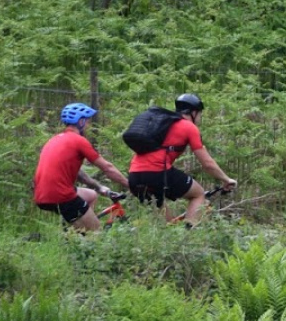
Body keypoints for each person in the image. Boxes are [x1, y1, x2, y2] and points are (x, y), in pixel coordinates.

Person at [126, 93, 237, 225]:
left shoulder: (164, 123)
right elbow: (207, 164)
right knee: (198, 194)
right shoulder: (189, 127)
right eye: (200, 114)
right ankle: (188, 234)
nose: (200, 118)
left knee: (167, 225)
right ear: (193, 113)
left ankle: (172, 240)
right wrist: (226, 179)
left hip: (134, 176)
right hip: (158, 173)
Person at [33, 103, 130, 232]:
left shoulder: (54, 140)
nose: (88, 125)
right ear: (81, 121)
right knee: (97, 234)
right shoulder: (79, 140)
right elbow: (107, 167)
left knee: (91, 195)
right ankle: (88, 237)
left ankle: (80, 232)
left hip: (41, 195)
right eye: (88, 121)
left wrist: (99, 187)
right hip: (62, 195)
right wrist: (130, 185)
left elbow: (78, 173)